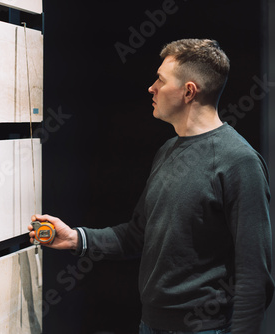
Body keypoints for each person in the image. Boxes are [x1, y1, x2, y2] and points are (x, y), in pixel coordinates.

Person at [28, 39, 274, 334]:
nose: (152, 88)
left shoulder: (239, 162)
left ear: (188, 91)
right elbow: (137, 235)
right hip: (151, 326)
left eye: (160, 79)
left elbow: (254, 276)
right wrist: (76, 238)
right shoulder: (168, 150)